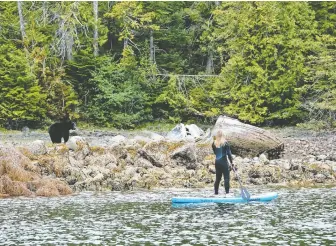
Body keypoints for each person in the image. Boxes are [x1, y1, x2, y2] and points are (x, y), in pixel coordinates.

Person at [212, 129, 234, 196]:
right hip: (224, 162)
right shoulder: (225, 143)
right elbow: (229, 154)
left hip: (217, 163)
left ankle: (216, 193)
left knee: (218, 179)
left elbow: (215, 152)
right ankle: (227, 193)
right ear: (223, 135)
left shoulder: (214, 143)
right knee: (226, 178)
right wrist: (232, 162)